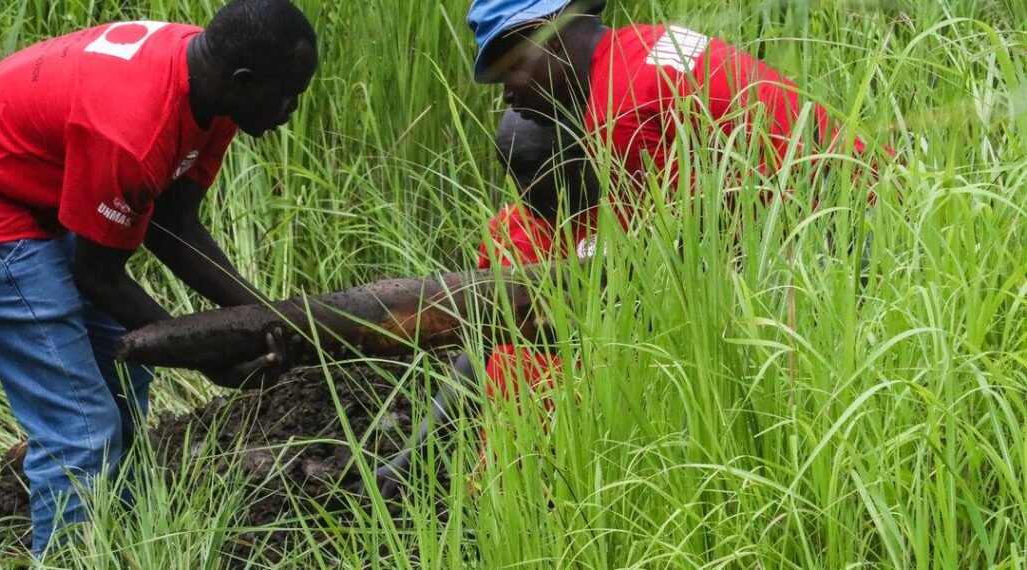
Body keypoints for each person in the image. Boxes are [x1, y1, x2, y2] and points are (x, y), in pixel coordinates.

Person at [373, 0, 886, 498]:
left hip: (844, 231)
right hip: (836, 208)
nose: (506, 93)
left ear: (552, 35)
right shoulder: (640, 49)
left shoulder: (619, 113)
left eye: (510, 68)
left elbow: (667, 281)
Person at [0, 0, 316, 555]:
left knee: (125, 374)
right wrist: (212, 356)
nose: (291, 108)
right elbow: (98, 277)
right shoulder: (133, 130)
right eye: (288, 94)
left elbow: (172, 223)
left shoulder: (211, 87)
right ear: (243, 81)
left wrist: (268, 319)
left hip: (37, 195)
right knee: (81, 430)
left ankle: (112, 540)